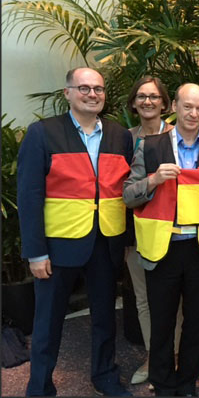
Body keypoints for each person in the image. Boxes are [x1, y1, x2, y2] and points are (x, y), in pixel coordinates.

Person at [18, 67, 133, 396]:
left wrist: (123, 241)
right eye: (84, 88)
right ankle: (40, 386)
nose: (92, 94)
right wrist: (35, 252)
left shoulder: (119, 135)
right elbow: (29, 196)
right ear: (67, 93)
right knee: (48, 322)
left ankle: (105, 375)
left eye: (98, 89)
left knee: (104, 318)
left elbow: (120, 190)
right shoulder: (43, 133)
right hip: (58, 245)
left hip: (106, 241)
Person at [123, 83, 199, 396]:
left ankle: (187, 383)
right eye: (187, 106)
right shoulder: (150, 146)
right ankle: (163, 383)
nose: (193, 113)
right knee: (162, 322)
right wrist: (154, 179)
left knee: (197, 322)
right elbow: (128, 196)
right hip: (163, 248)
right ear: (175, 108)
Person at [123, 76, 183, 386]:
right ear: (133, 103)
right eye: (142, 97)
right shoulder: (123, 138)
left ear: (165, 103)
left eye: (154, 96)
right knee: (144, 298)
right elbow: (123, 188)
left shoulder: (180, 136)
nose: (148, 101)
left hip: (175, 232)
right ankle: (153, 357)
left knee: (176, 300)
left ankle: (170, 357)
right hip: (136, 230)